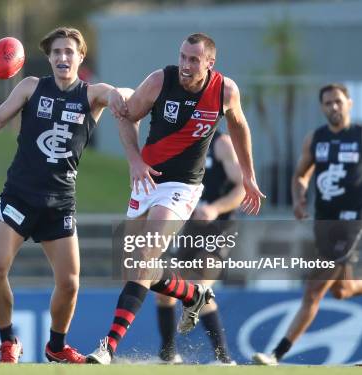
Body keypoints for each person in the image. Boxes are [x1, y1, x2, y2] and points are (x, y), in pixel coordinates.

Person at [86, 32, 265, 365]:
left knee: (145, 256)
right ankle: (193, 294)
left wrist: (249, 175)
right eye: (183, 57)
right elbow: (126, 115)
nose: (185, 65)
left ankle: (108, 347)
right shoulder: (159, 81)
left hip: (183, 187)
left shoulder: (225, 91)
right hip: (148, 179)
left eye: (193, 60)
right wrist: (135, 161)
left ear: (210, 63)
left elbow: (240, 126)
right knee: (134, 268)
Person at [0, 27, 130, 363]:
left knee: (70, 284)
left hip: (59, 202)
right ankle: (8, 342)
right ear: (49, 58)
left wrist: (130, 97)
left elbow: (121, 96)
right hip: (19, 195)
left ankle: (56, 345)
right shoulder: (31, 87)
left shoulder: (92, 94)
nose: (63, 57)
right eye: (56, 52)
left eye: (69, 52)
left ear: (80, 57)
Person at [253, 83, 362, 365]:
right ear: (322, 107)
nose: (334, 107)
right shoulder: (316, 138)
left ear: (349, 103)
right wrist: (298, 198)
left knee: (314, 288)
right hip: (324, 222)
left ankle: (276, 354)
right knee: (342, 291)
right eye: (328, 103)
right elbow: (301, 175)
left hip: (351, 222)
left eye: (338, 101)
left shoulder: (360, 136)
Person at [155, 131, 244, 365]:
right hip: (189, 229)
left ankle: (223, 359)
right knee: (165, 291)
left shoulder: (222, 144)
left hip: (219, 230)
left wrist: (215, 208)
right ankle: (168, 354)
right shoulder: (178, 142)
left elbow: (242, 188)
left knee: (199, 288)